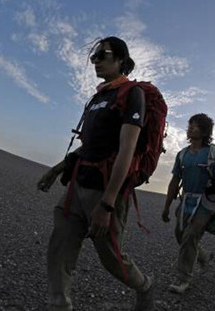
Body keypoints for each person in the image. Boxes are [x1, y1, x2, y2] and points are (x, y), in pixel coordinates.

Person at [37, 36, 155, 311]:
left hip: (105, 191)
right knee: (60, 249)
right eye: (94, 56)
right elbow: (89, 146)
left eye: (103, 55)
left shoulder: (131, 94)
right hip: (76, 186)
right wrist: (57, 169)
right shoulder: (98, 97)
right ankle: (59, 305)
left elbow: (127, 150)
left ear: (122, 61)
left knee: (112, 259)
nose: (96, 61)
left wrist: (107, 204)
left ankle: (145, 285)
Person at [162, 113, 215, 294]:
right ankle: (204, 256)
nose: (190, 128)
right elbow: (174, 182)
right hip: (186, 200)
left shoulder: (213, 154)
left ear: (205, 131)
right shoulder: (182, 154)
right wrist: (167, 206)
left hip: (206, 203)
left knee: (190, 236)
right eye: (190, 124)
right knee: (180, 234)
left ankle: (183, 279)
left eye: (196, 125)